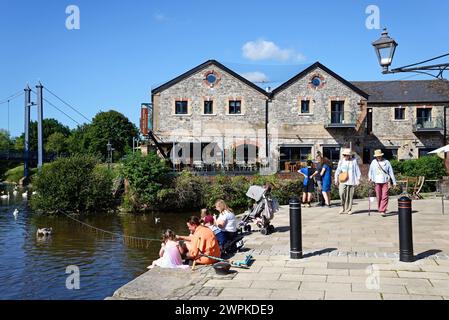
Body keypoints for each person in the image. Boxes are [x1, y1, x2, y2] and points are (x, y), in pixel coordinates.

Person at [368, 149, 397, 217]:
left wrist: (394, 182)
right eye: (377, 156)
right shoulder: (373, 162)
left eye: (379, 156)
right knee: (379, 196)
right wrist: (369, 177)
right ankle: (380, 208)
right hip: (377, 182)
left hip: (385, 181)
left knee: (385, 196)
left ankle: (382, 210)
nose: (378, 157)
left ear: (381, 155)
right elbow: (370, 171)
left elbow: (391, 172)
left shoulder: (386, 162)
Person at [334, 149, 361, 215]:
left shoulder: (353, 161)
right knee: (341, 193)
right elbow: (338, 170)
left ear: (349, 155)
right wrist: (336, 178)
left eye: (347, 155)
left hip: (351, 180)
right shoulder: (341, 161)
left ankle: (349, 209)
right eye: (344, 155)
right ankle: (343, 207)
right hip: (343, 180)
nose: (345, 156)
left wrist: (358, 179)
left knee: (350, 195)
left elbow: (357, 170)